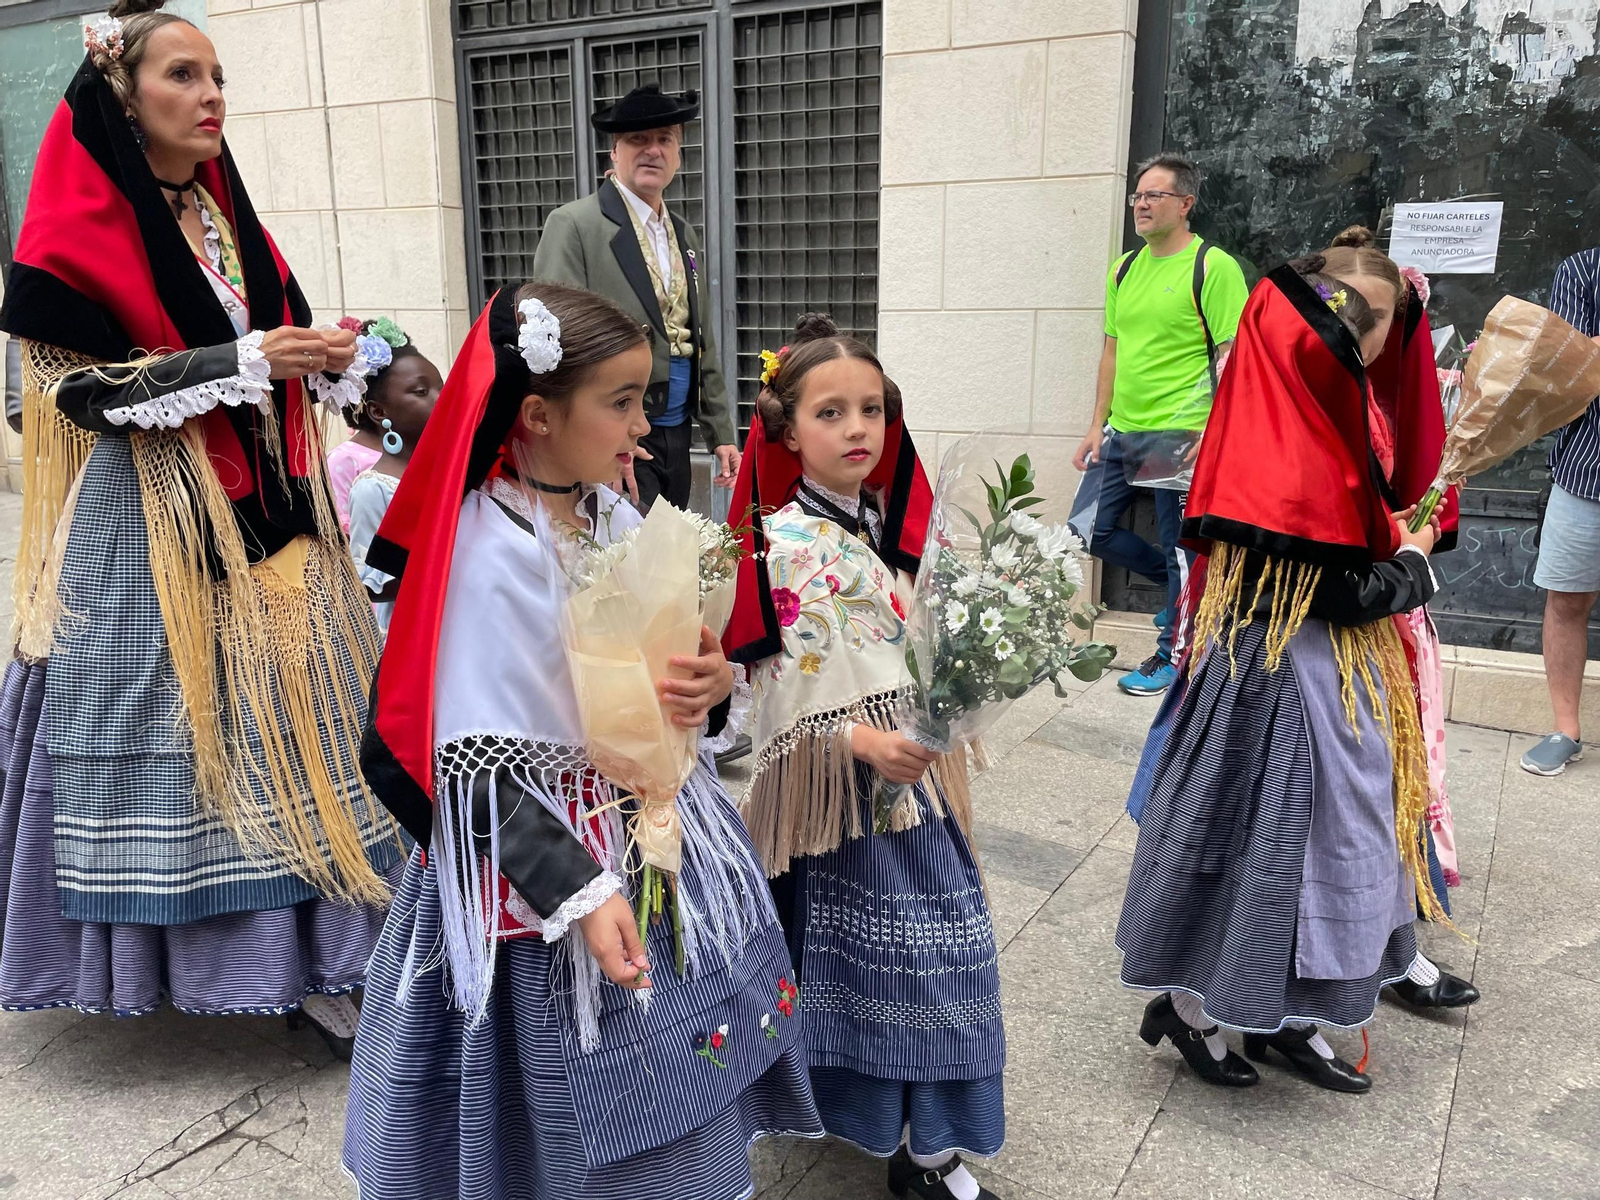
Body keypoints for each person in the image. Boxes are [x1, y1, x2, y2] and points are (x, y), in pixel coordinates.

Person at [344, 282, 821, 1199]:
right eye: (622, 402)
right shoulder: (486, 547)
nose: (645, 426)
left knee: (687, 1067)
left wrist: (711, 682)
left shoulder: (615, 514)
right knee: (568, 1107)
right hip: (547, 868)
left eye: (646, 399)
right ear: (534, 415)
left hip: (652, 816)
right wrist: (582, 890)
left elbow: (675, 662)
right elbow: (470, 763)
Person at [0, 2, 400, 1058]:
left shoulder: (224, 218)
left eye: (218, 72)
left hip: (274, 508)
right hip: (156, 525)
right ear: (124, 100)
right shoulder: (77, 231)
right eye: (184, 74)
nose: (213, 93)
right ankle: (263, 966)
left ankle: (343, 952)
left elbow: (276, 338)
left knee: (313, 720)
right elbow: (67, 390)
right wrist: (238, 364)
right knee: (195, 744)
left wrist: (334, 353)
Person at [1118, 257, 1446, 1096]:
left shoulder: (1312, 406)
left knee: (1336, 845)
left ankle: (1289, 1020)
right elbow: (1332, 588)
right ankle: (1193, 1012)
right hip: (1280, 680)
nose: (1381, 337)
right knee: (1276, 853)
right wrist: (1410, 565)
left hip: (1324, 677)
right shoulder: (1285, 440)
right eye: (1371, 319)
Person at [724, 313, 1004, 1200]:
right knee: (898, 958)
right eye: (831, 412)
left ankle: (921, 1141)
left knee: (920, 951)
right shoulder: (778, 544)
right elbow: (773, 684)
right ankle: (918, 1151)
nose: (856, 430)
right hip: (841, 791)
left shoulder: (894, 522)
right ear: (787, 430)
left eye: (872, 411)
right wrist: (855, 740)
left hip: (908, 778)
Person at [1330, 230, 1479, 1013]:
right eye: (1356, 313)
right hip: (1313, 651)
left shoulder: (1365, 401)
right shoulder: (1307, 400)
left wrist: (1409, 535)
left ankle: (1389, 955)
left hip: (1370, 633)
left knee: (1385, 795)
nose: (1369, 333)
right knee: (1346, 809)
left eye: (1383, 318)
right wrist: (1405, 551)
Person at [1073, 153, 1249, 696]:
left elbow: (1235, 358)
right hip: (1123, 432)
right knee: (1086, 530)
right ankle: (1178, 599)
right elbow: (1111, 351)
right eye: (1137, 196)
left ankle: (1174, 657)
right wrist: (1095, 425)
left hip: (1180, 434)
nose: (1142, 205)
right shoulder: (1124, 268)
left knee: (1180, 549)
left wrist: (1216, 434)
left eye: (1155, 195)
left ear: (1185, 204)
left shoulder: (1212, 267)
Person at [532, 84, 740, 511]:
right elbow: (562, 347)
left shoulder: (684, 232)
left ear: (679, 152)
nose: (653, 150)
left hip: (677, 432)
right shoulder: (573, 224)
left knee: (670, 554)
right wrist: (608, 446)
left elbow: (699, 337)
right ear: (615, 151)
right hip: (616, 434)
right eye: (638, 139)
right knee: (623, 564)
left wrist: (721, 432)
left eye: (664, 139)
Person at [1521, 245, 1600, 776]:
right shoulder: (1583, 270)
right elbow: (1566, 373)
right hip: (1586, 470)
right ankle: (1565, 729)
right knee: (1567, 600)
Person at [344, 318, 442, 634]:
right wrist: (437, 567)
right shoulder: (373, 489)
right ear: (379, 411)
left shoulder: (450, 470)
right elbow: (370, 581)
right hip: (415, 635)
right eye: (422, 391)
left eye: (443, 388)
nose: (439, 399)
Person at [325, 316, 396, 535]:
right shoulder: (344, 459)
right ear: (377, 409)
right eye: (420, 392)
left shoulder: (418, 451)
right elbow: (340, 524)